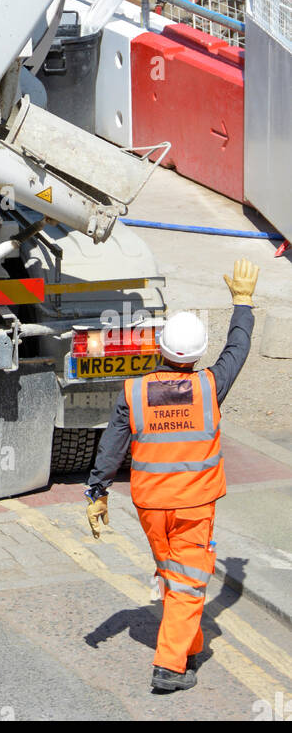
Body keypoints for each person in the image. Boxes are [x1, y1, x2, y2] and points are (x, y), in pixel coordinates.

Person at [83, 258, 258, 694]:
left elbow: (112, 446)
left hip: (150, 507)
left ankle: (190, 646)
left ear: (160, 348)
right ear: (197, 354)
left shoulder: (134, 391)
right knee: (188, 584)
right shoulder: (210, 387)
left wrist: (97, 492)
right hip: (193, 509)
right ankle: (169, 668)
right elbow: (237, 350)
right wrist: (242, 302)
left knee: (179, 579)